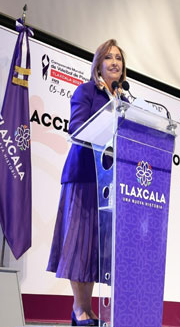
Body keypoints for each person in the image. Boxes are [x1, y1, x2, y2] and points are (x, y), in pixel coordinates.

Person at [47, 39, 128, 326]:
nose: (115, 62)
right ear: (99, 63)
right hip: (83, 176)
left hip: (107, 182)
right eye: (109, 57)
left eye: (118, 57)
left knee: (93, 247)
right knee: (79, 244)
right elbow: (78, 129)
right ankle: (79, 307)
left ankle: (86, 308)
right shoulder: (86, 92)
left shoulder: (123, 99)